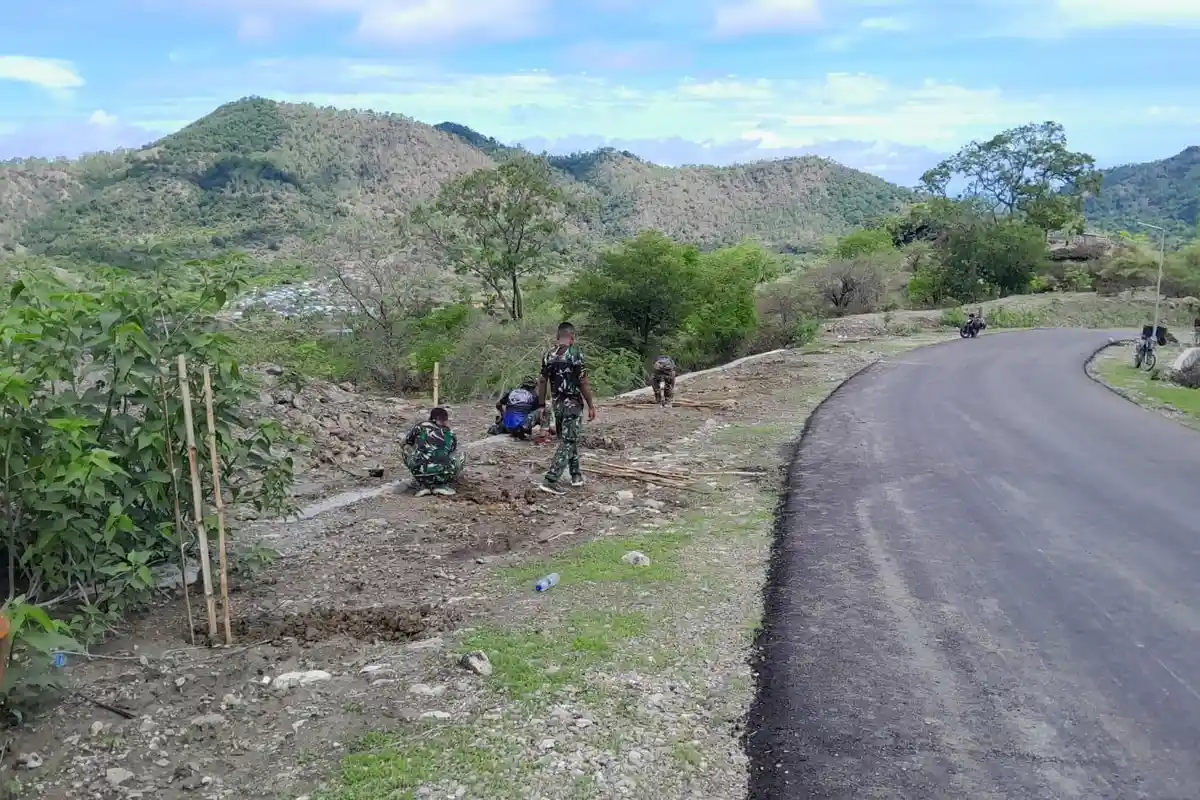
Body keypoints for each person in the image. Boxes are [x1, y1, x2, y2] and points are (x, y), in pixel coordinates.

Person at [536, 321, 596, 494]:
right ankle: (551, 479)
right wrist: (591, 405)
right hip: (573, 405)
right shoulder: (574, 355)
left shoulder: (548, 356)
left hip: (558, 405)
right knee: (569, 441)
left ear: (557, 337)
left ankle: (576, 475)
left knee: (570, 438)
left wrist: (541, 404)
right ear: (572, 337)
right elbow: (583, 382)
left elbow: (542, 381)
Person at [402, 407, 463, 497]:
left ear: (431, 417)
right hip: (444, 472)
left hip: (421, 470)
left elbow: (408, 442)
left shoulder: (420, 426)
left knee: (405, 447)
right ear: (445, 420)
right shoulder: (450, 432)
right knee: (459, 454)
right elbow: (452, 451)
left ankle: (423, 485)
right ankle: (441, 484)